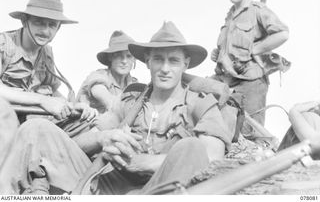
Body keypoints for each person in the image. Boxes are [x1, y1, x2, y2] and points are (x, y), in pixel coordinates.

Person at [0, 21, 235, 195]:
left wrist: (143, 162)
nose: (165, 68)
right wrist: (105, 138)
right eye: (158, 60)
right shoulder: (132, 101)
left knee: (191, 146)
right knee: (36, 128)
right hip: (109, 185)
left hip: (161, 188)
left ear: (185, 64)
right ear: (147, 63)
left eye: (173, 60)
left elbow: (210, 157)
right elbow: (81, 141)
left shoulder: (200, 101)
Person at [211, 0, 289, 139]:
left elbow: (283, 33)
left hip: (251, 81)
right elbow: (229, 46)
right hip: (227, 78)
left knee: (250, 132)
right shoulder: (230, 15)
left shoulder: (258, 10)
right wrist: (217, 54)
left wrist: (256, 49)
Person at [0, 0, 97, 125]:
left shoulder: (46, 54)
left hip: (30, 122)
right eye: (38, 22)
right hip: (4, 123)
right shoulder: (4, 44)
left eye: (52, 25)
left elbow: (51, 89)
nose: (45, 31)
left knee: (92, 126)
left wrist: (71, 105)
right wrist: (43, 100)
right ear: (24, 21)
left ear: (58, 28)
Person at [76, 30, 137, 114]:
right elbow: (109, 101)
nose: (124, 61)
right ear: (110, 57)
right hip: (87, 125)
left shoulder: (134, 84)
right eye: (119, 55)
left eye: (129, 56)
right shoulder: (98, 76)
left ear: (134, 59)